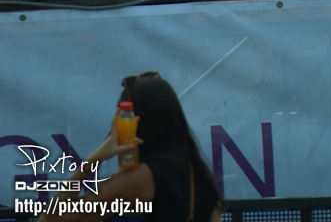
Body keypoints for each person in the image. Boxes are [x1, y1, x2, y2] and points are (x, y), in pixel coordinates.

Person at [48, 71, 222, 221]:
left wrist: (92, 161)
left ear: (134, 122)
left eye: (121, 116)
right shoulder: (200, 176)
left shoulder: (137, 179)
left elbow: (51, 219)